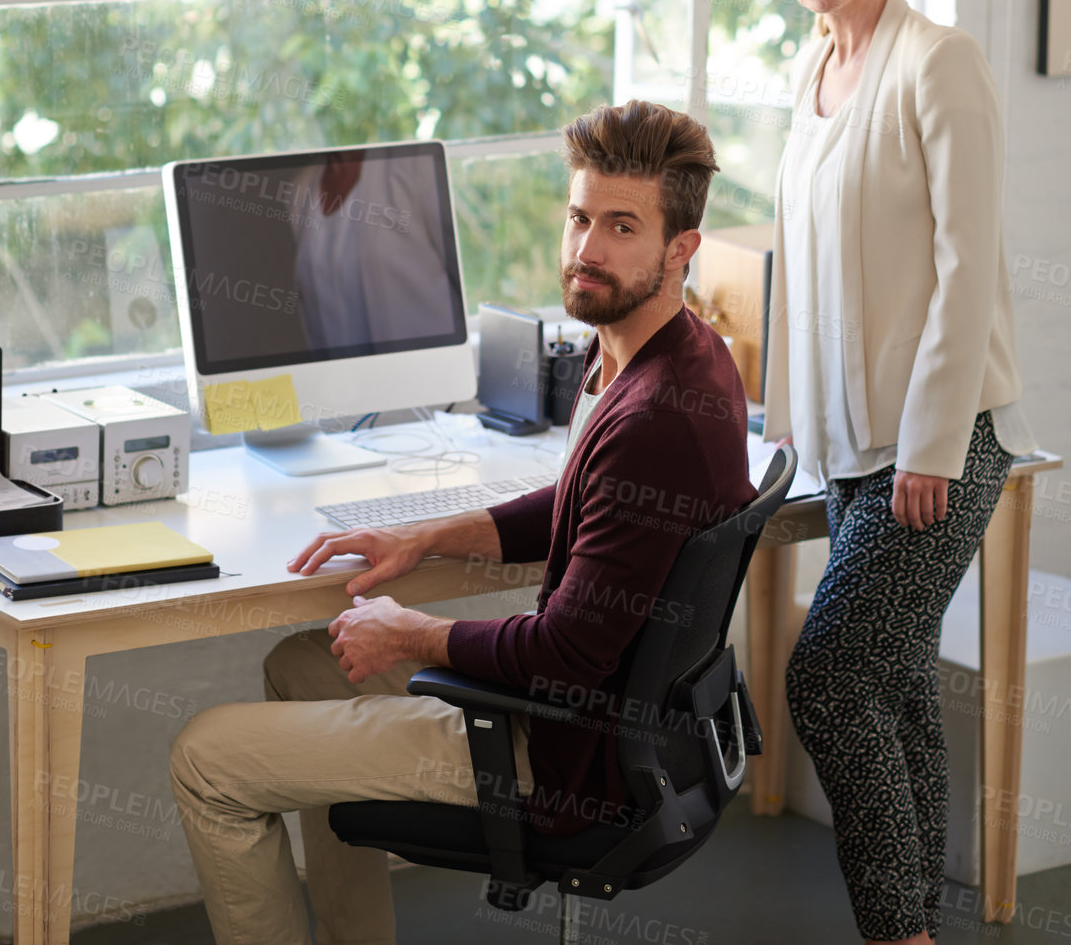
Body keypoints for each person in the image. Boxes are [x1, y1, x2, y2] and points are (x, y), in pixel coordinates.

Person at [170, 100, 755, 945]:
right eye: (579, 217)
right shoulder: (663, 349)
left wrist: (410, 633)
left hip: (560, 755)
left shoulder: (657, 415)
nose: (586, 249)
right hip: (596, 720)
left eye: (621, 226)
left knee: (206, 757)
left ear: (680, 248)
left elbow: (563, 652)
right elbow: (585, 506)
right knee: (301, 661)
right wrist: (427, 536)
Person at [753, 0, 1034, 945]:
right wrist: (784, 414)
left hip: (942, 445)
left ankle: (897, 936)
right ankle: (917, 924)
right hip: (848, 446)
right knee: (899, 688)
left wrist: (927, 447)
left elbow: (970, 266)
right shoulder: (814, 68)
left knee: (827, 682)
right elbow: (800, 252)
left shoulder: (938, 62)